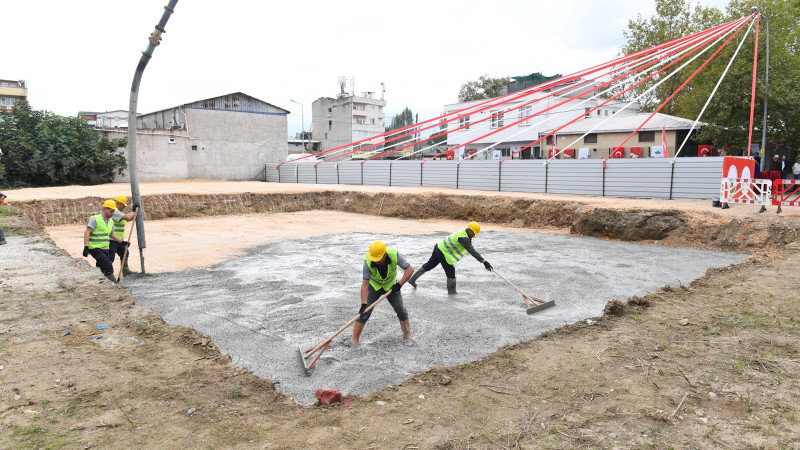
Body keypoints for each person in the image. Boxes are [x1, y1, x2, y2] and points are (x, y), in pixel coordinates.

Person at [351, 240, 415, 347]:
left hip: (392, 286)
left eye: (378, 259)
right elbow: (365, 284)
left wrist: (399, 285)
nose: (376, 261)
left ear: (384, 254)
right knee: (364, 313)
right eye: (374, 259)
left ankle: (407, 337)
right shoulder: (367, 262)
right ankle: (354, 341)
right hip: (374, 287)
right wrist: (363, 304)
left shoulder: (394, 255)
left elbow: (410, 269)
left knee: (401, 310)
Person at [407, 221, 492, 295]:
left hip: (439, 246)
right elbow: (471, 250)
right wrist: (484, 261)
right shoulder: (463, 238)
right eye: (473, 233)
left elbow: (470, 247)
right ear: (469, 230)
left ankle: (412, 280)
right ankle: (452, 293)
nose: (474, 235)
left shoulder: (464, 233)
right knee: (450, 271)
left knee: (430, 264)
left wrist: (483, 261)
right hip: (444, 252)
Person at [83, 200, 125, 283]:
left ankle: (101, 283)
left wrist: (122, 242)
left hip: (105, 248)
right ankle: (115, 284)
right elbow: (87, 232)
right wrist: (86, 247)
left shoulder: (111, 221)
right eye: (111, 211)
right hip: (95, 248)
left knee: (101, 267)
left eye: (114, 211)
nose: (113, 213)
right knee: (108, 265)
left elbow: (112, 234)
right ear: (105, 210)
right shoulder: (95, 219)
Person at [109, 195, 138, 275]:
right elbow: (128, 218)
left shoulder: (119, 213)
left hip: (119, 239)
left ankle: (125, 270)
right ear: (119, 204)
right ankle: (107, 273)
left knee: (124, 252)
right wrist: (134, 211)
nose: (124, 207)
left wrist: (134, 212)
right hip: (111, 239)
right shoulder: (114, 211)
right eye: (123, 205)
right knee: (110, 257)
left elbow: (128, 218)